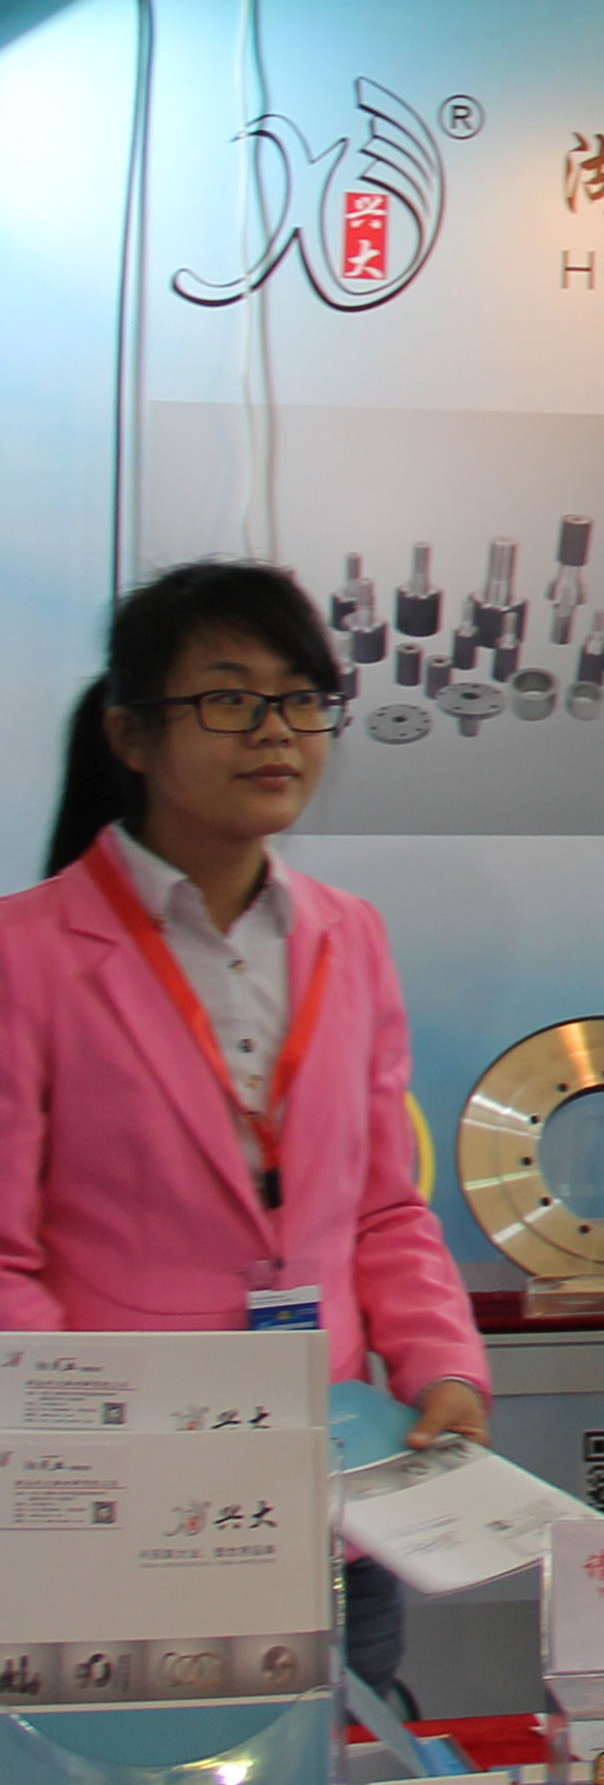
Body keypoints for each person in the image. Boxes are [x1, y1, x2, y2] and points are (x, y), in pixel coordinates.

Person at [1, 562, 489, 1695]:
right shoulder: (25, 954)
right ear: (131, 734)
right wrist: (101, 1440)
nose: (275, 732)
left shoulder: (349, 934)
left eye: (300, 698)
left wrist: (443, 1367)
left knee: (348, 1764)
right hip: (123, 1500)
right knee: (137, 1782)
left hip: (335, 1478)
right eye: (228, 698)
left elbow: (383, 1206)